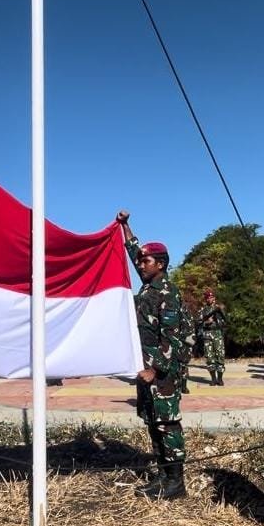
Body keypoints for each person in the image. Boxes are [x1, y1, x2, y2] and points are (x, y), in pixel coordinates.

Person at [116, 210, 187, 501]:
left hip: (163, 373)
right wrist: (125, 226)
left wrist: (156, 370)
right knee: (152, 422)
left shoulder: (167, 293)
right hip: (146, 368)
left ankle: (176, 481)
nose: (140, 264)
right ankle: (163, 473)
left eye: (146, 261)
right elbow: (134, 250)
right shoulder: (148, 287)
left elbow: (172, 338)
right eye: (141, 261)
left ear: (161, 264)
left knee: (167, 424)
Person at [197, 289, 227, 385]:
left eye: (212, 297)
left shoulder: (219, 308)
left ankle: (220, 378)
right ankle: (213, 379)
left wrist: (218, 321)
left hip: (217, 333)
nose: (210, 299)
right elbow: (198, 322)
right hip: (207, 334)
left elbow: (225, 321)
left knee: (220, 355)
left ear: (214, 298)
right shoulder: (203, 310)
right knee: (209, 357)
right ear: (206, 299)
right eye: (208, 298)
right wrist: (206, 322)